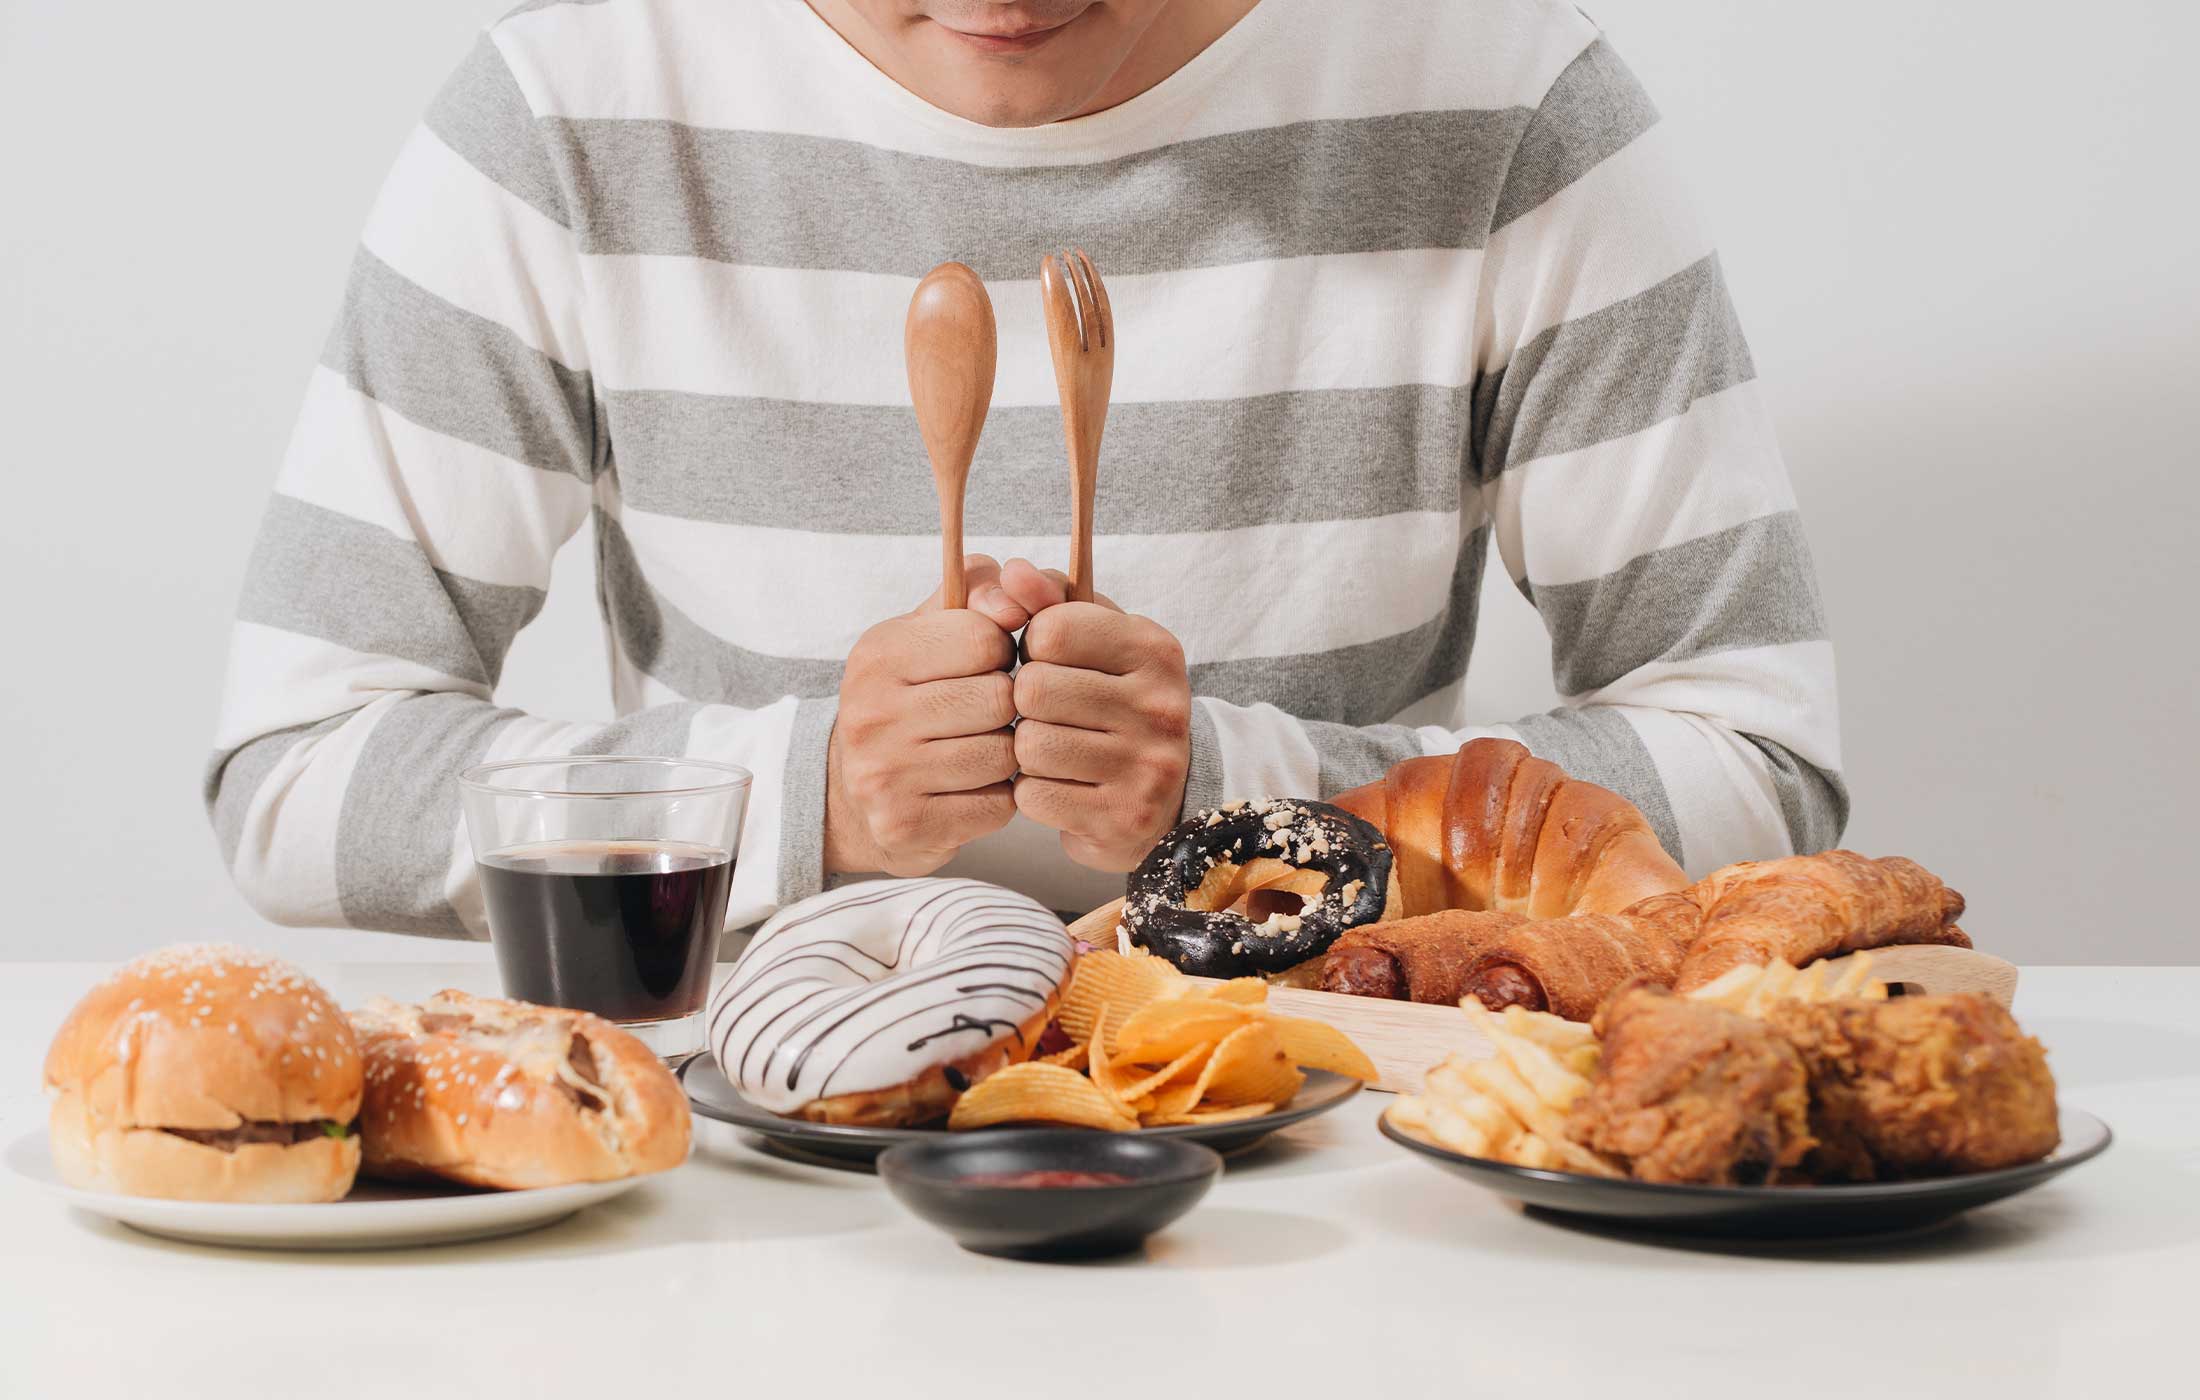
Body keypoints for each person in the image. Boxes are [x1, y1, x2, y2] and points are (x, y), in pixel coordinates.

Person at [205, 0, 1844, 938]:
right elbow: (295, 773)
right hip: (760, 1181)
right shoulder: (569, 110)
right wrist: (808, 798)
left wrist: (1238, 803)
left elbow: (1758, 761)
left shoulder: (1503, 101)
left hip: (1340, 1170)